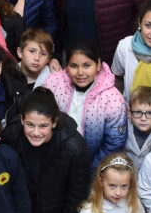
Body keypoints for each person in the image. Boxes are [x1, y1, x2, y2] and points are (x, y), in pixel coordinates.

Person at [40, 40, 128, 168]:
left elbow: (114, 143)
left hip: (91, 165)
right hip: (52, 160)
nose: (80, 72)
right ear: (67, 65)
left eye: (87, 65)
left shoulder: (113, 99)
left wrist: (91, 170)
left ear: (98, 65)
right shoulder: (53, 84)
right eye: (74, 66)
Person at [123, 86, 151, 164]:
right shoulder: (122, 129)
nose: (143, 118)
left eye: (150, 113)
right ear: (129, 112)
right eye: (138, 112)